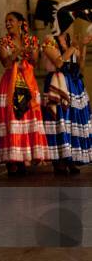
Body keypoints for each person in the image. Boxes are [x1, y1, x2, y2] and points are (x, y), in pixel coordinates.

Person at [0, 11, 49, 175]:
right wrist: (19, 51)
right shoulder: (3, 42)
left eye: (11, 20)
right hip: (11, 83)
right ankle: (12, 160)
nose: (8, 23)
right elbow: (6, 62)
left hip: (28, 82)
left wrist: (32, 52)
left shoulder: (31, 40)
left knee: (27, 119)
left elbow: (34, 61)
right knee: (12, 120)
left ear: (20, 23)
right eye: (6, 21)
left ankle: (25, 157)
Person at [41, 30, 92, 173]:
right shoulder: (49, 39)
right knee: (60, 121)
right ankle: (59, 160)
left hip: (74, 83)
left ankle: (72, 158)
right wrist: (72, 48)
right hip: (59, 83)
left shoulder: (70, 39)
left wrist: (83, 46)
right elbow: (58, 63)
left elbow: (80, 66)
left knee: (73, 121)